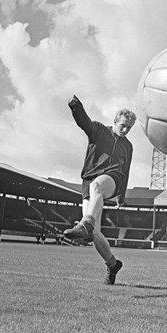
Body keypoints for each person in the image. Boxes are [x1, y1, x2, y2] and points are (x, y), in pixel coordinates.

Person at [63, 94, 136, 285]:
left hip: (113, 179)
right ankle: (112, 265)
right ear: (115, 121)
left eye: (129, 128)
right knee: (95, 232)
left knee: (97, 187)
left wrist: (122, 196)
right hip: (88, 182)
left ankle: (85, 223)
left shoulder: (128, 146)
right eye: (123, 125)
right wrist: (76, 106)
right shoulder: (99, 131)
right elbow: (83, 122)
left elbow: (126, 170)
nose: (126, 130)